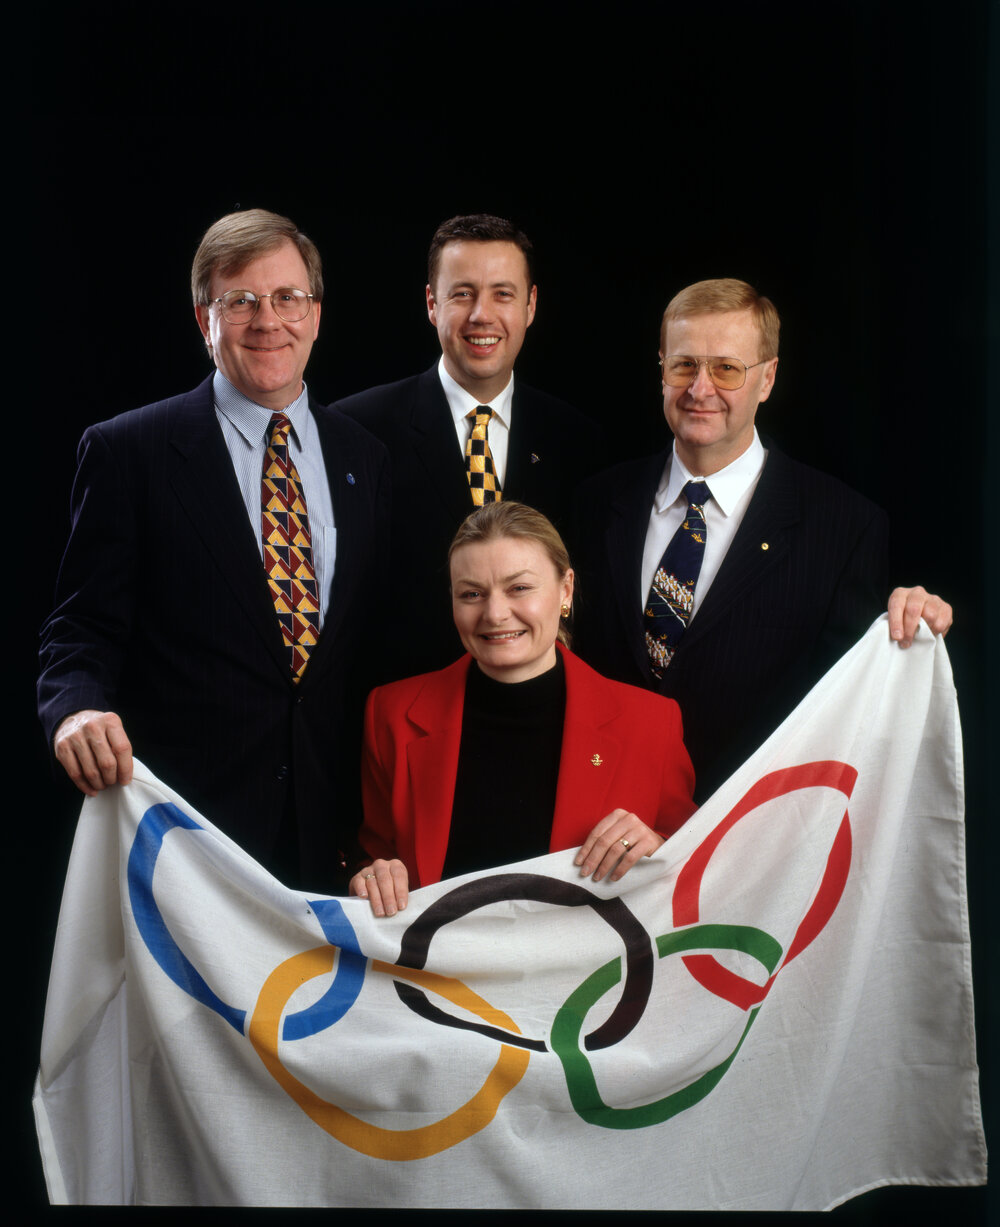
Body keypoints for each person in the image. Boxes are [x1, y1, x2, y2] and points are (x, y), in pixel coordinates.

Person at [38, 208, 389, 891]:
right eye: (241, 301)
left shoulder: (364, 458)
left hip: (329, 844)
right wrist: (73, 709)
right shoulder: (130, 451)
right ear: (206, 320)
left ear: (315, 313)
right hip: (184, 841)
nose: (268, 320)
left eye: (288, 297)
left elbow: (365, 650)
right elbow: (80, 628)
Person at [575, 278, 952, 802]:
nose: (700, 389)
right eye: (684, 365)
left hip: (745, 842)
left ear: (768, 378)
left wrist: (906, 631)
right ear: (660, 368)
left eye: (726, 368)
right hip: (595, 830)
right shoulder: (592, 506)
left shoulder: (843, 527)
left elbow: (847, 712)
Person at [349, 502, 696, 917]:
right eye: (472, 594)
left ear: (565, 589)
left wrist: (657, 849)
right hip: (434, 974)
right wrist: (370, 876)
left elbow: (694, 866)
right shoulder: (390, 713)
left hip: (590, 977)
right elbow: (374, 857)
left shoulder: (651, 722)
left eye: (519, 588)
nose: (495, 614)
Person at [334, 214, 602, 678]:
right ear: (432, 304)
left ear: (530, 306)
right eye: (462, 293)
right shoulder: (356, 430)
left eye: (503, 293)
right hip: (405, 716)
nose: (482, 315)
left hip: (541, 713)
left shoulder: (577, 440)